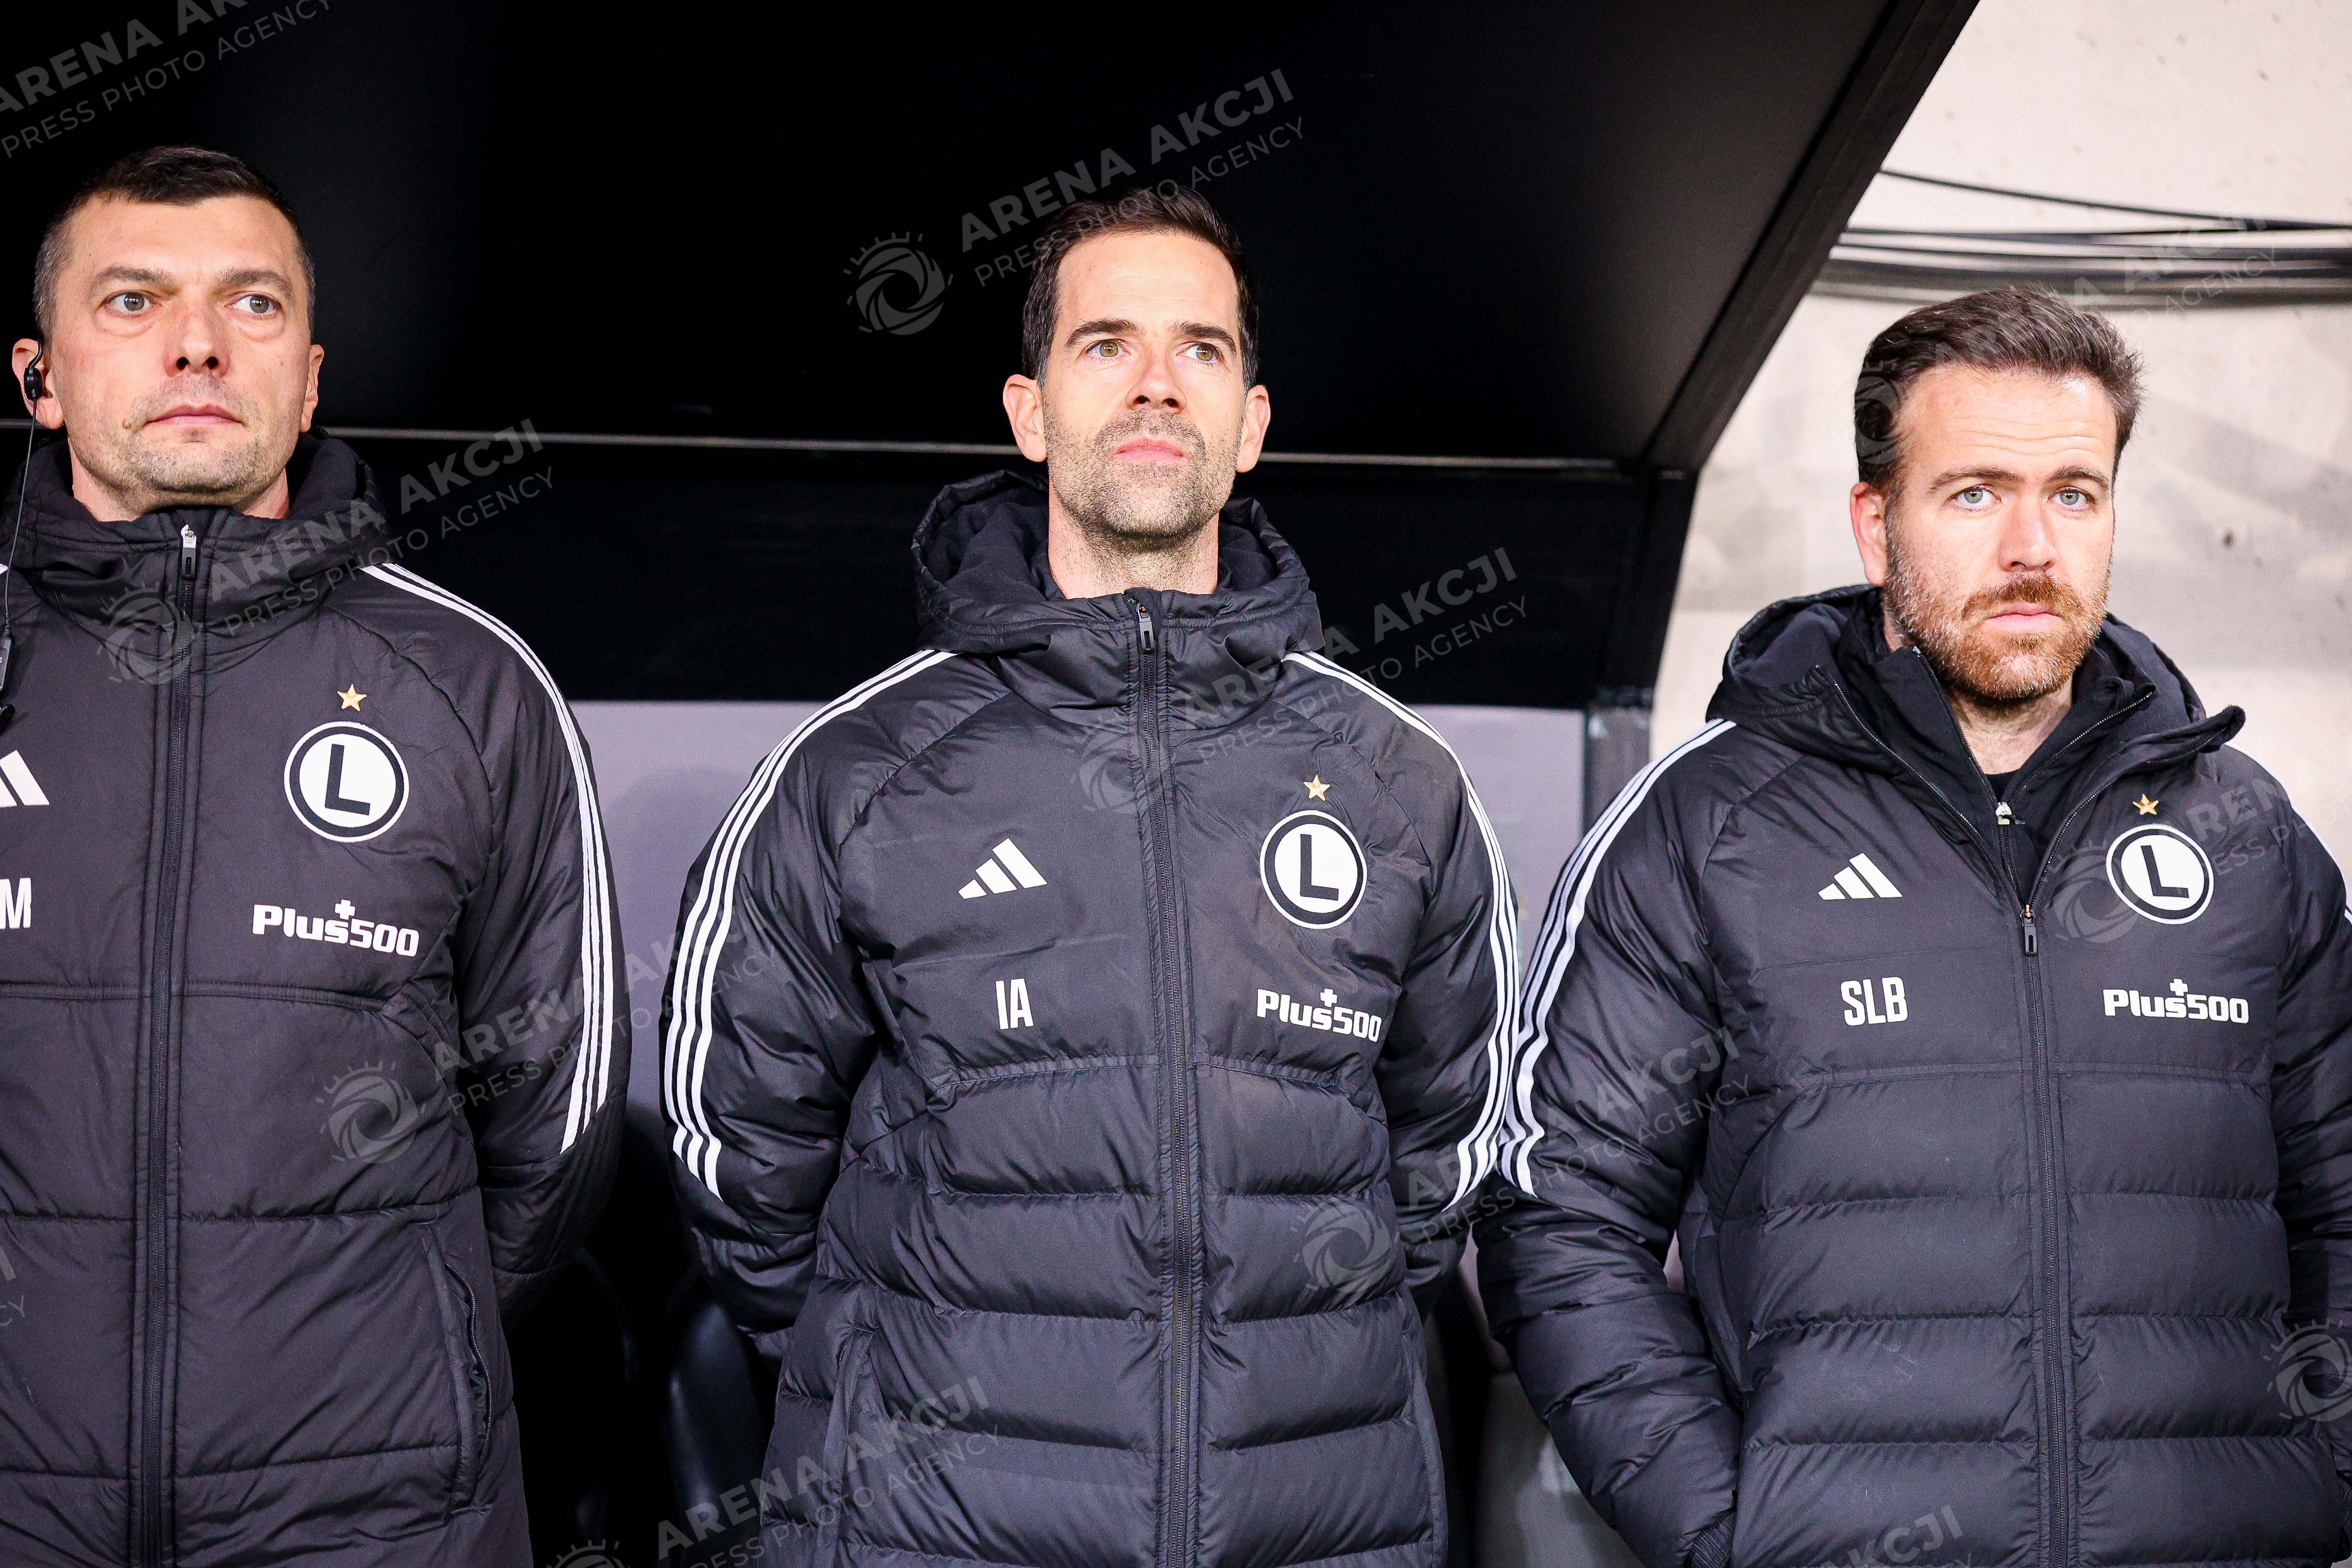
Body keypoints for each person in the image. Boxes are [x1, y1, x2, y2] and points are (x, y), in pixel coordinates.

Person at [663, 186, 1518, 1567]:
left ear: (1250, 423)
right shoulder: (859, 770)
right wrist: (898, 1368)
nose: (1156, 384)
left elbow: (1454, 1148)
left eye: (1201, 349)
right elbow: (740, 1161)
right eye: (1106, 344)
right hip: (930, 1534)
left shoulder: (1399, 781)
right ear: (1029, 411)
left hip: (1311, 1523)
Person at [1480, 288, 2352, 1568]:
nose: (2032, 547)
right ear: (1876, 524)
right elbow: (1560, 1220)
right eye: (1975, 493)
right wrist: (1731, 1531)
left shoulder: (2249, 838)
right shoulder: (1709, 827)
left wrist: (2323, 1467)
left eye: (2074, 494)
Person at [2, 146, 625, 1565]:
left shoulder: (471, 684)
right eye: (133, 301)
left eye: (253, 303)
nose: (199, 344)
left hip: (376, 1514)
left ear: (311, 379)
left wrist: (397, 1343)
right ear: (40, 377)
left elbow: (559, 1117)